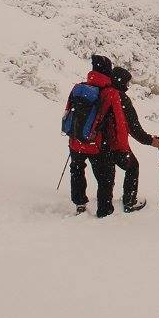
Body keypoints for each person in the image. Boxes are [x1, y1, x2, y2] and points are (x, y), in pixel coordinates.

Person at [65, 55, 134, 218]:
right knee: (105, 179)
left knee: (76, 170)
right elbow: (119, 124)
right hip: (98, 145)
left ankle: (80, 204)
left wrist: (73, 135)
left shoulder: (79, 88)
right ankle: (104, 211)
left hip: (77, 141)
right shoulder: (110, 93)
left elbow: (68, 113)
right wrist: (122, 148)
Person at [109, 66, 159, 213]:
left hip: (97, 142)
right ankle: (129, 202)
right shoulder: (122, 99)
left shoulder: (102, 92)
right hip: (116, 144)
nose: (128, 86)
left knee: (108, 168)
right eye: (127, 82)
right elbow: (135, 129)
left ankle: (106, 197)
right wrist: (151, 140)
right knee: (133, 167)